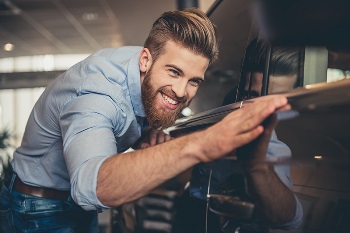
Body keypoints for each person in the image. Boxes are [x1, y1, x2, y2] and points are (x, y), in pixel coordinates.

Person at [0, 8, 290, 233]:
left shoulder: (148, 67)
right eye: (174, 72)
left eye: (194, 81)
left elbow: (135, 108)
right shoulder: (96, 93)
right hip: (37, 205)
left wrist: (144, 132)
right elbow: (91, 187)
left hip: (74, 204)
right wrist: (201, 144)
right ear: (145, 60)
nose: (180, 91)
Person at [176, 37, 304, 233]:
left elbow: (285, 218)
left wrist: (256, 166)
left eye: (275, 100)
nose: (261, 110)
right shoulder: (227, 109)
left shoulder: (274, 143)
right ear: (240, 92)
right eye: (250, 96)